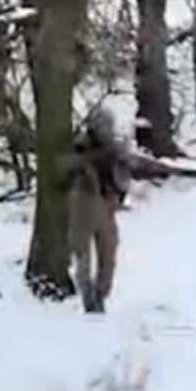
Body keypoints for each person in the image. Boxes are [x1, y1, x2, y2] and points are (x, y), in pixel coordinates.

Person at [65, 107, 132, 313]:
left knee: (108, 253)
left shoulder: (115, 149)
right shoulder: (80, 146)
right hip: (83, 203)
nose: (106, 130)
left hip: (106, 205)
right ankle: (88, 298)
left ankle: (100, 294)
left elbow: (124, 177)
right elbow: (67, 167)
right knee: (82, 255)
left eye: (108, 126)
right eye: (101, 125)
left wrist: (121, 160)